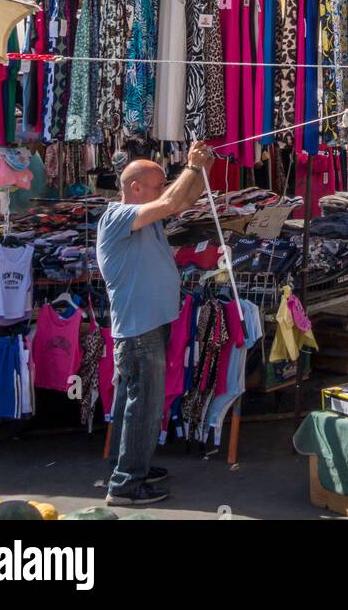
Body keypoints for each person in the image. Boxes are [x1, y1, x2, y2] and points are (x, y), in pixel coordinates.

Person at [97, 141, 212, 507]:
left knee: (142, 403)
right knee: (142, 405)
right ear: (135, 188)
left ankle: (132, 466)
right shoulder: (116, 217)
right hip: (138, 330)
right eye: (158, 182)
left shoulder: (144, 216)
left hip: (147, 325)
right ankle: (127, 486)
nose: (164, 188)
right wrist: (191, 168)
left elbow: (181, 201)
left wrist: (200, 170)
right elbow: (170, 203)